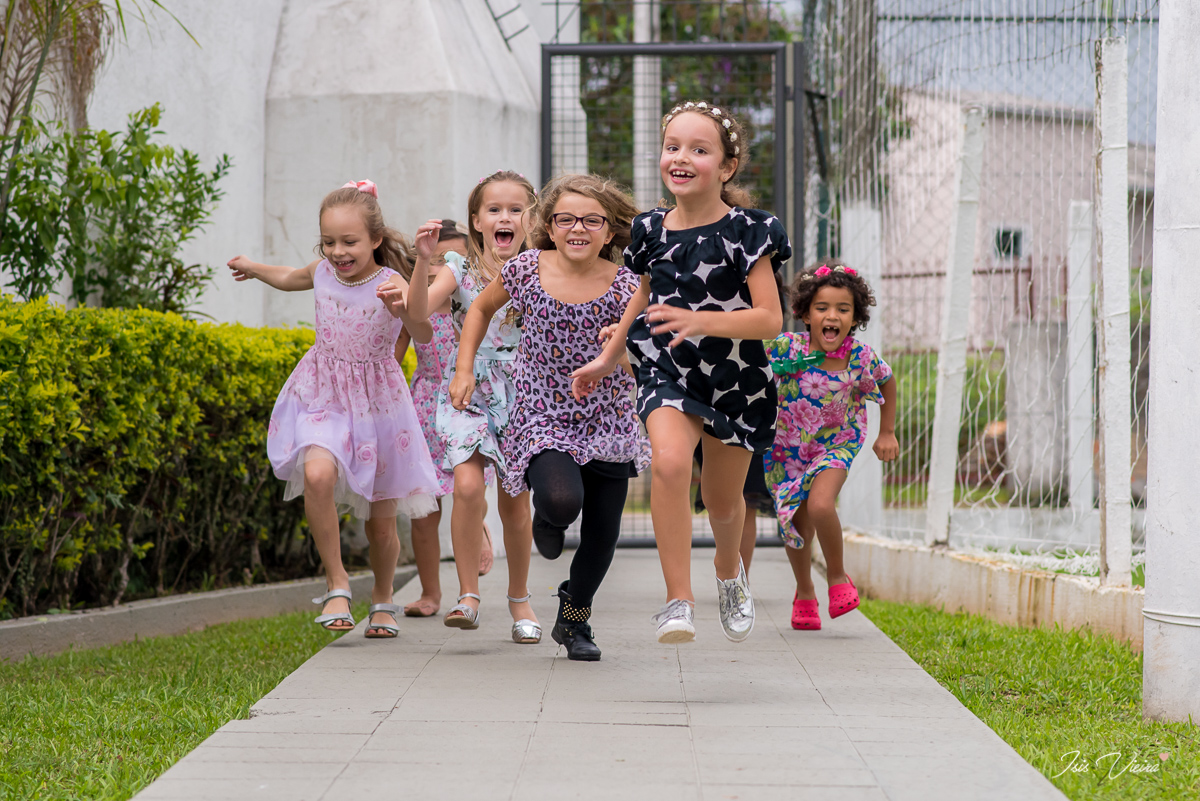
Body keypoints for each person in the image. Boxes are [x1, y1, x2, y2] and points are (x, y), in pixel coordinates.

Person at [573, 101, 790, 644]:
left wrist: (699, 319)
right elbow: (643, 294)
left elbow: (769, 319)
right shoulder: (648, 229)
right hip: (666, 367)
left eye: (699, 149)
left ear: (727, 166)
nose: (683, 158)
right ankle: (678, 600)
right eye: (673, 147)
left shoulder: (751, 230)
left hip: (738, 379)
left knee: (723, 502)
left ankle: (727, 573)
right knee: (669, 464)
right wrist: (609, 355)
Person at [227, 180, 440, 639]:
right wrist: (252, 267)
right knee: (318, 473)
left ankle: (383, 600)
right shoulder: (322, 271)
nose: (338, 252)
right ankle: (337, 582)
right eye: (328, 242)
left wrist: (405, 298)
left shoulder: (391, 282)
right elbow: (289, 277)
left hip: (378, 406)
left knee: (381, 525)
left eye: (349, 242)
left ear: (375, 241)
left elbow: (422, 332)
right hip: (323, 394)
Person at [451, 174, 648, 661]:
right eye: (566, 219)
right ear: (550, 226)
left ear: (609, 231)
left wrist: (622, 354)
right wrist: (464, 367)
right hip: (542, 410)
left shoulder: (628, 287)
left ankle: (574, 618)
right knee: (562, 500)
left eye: (591, 221)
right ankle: (550, 514)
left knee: (603, 534)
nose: (578, 228)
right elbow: (478, 310)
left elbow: (650, 349)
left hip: (609, 417)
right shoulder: (524, 270)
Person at [379, 170, 540, 643]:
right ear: (477, 220)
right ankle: (468, 594)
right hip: (464, 389)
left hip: (522, 394)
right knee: (467, 487)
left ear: (531, 219)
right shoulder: (458, 266)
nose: (505, 217)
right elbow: (419, 313)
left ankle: (519, 598)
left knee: (514, 504)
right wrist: (421, 261)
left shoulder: (541, 268)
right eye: (494, 210)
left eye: (516, 209)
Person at [763, 261, 898, 630]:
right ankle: (805, 591)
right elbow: (747, 363)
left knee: (821, 504)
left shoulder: (859, 356)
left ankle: (837, 578)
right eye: (822, 308)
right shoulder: (786, 349)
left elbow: (887, 381)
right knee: (796, 524)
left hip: (837, 444)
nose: (832, 316)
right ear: (805, 313)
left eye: (843, 309)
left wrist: (887, 432)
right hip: (786, 449)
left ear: (855, 317)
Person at [392, 221, 495, 618]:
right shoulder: (415, 305)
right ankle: (430, 592)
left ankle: (479, 531)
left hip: (466, 401)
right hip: (423, 408)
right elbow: (393, 356)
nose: (440, 268)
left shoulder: (479, 303)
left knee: (468, 491)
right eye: (434, 259)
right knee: (424, 510)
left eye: (451, 260)